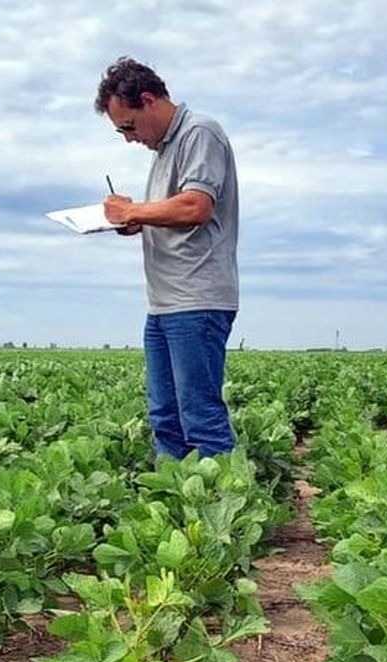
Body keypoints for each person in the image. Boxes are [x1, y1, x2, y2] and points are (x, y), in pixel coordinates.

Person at [95, 57, 239, 460]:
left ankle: (224, 512)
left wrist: (136, 212)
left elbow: (196, 207)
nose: (128, 138)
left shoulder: (199, 133)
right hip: (165, 303)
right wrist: (136, 220)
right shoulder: (163, 151)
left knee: (200, 416)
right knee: (165, 417)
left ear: (148, 100)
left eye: (128, 126)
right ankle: (171, 509)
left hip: (197, 300)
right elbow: (174, 214)